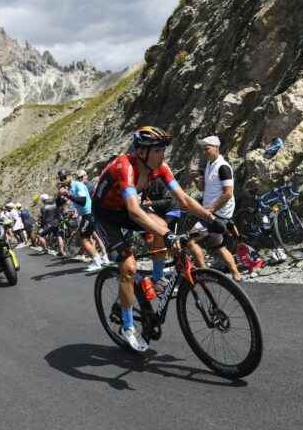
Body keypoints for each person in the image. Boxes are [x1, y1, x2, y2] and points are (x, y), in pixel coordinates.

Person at [92, 126, 227, 352]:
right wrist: (166, 235)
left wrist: (211, 218)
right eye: (157, 151)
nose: (162, 155)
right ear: (142, 152)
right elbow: (135, 212)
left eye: (163, 150)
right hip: (106, 215)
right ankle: (127, 327)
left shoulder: (160, 167)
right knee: (128, 267)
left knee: (162, 225)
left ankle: (157, 278)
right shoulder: (124, 167)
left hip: (126, 210)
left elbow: (183, 199)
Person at [186, 136, 242, 281]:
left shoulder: (223, 167)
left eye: (207, 148)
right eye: (204, 149)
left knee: (191, 241)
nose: (205, 152)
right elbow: (203, 188)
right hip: (212, 213)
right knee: (218, 246)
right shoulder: (210, 165)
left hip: (216, 214)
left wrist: (211, 209)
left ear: (217, 148)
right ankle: (236, 274)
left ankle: (204, 273)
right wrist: (196, 179)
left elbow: (228, 193)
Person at [58, 169, 109, 271]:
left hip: (89, 213)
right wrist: (61, 195)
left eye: (64, 177)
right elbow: (59, 204)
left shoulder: (77, 185)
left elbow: (82, 200)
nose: (63, 180)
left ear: (70, 176)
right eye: (61, 179)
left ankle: (97, 260)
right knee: (86, 237)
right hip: (85, 215)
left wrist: (67, 195)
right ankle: (101, 258)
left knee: (84, 238)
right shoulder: (70, 187)